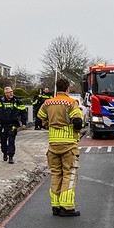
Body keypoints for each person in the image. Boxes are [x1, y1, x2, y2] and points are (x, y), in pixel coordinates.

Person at [37, 78, 85, 217]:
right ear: (67, 89)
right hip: (68, 145)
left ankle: (56, 205)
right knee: (69, 174)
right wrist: (77, 129)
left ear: (57, 88)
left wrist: (49, 126)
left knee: (56, 174)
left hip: (53, 145)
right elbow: (77, 121)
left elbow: (39, 119)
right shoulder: (71, 103)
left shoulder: (47, 103)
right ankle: (67, 206)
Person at [0, 87, 27, 164]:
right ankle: (5, 153)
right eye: (9, 92)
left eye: (11, 91)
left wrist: (24, 123)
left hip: (13, 124)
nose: (11, 93)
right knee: (3, 142)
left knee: (11, 141)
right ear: (5, 93)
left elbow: (23, 113)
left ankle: (11, 156)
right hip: (2, 125)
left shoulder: (17, 102)